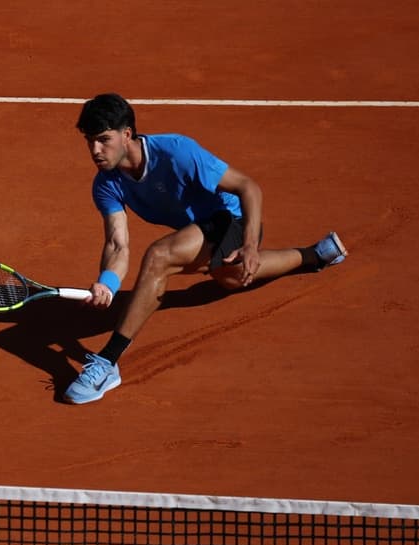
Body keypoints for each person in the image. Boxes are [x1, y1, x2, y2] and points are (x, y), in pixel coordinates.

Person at [63, 93, 347, 404]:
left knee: (160, 256)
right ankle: (314, 255)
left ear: (127, 134)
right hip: (198, 231)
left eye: (103, 140)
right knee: (231, 278)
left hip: (233, 218)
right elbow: (117, 243)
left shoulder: (177, 152)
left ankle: (107, 363)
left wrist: (250, 245)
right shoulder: (106, 183)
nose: (95, 150)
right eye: (89, 141)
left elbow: (248, 187)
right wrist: (107, 283)